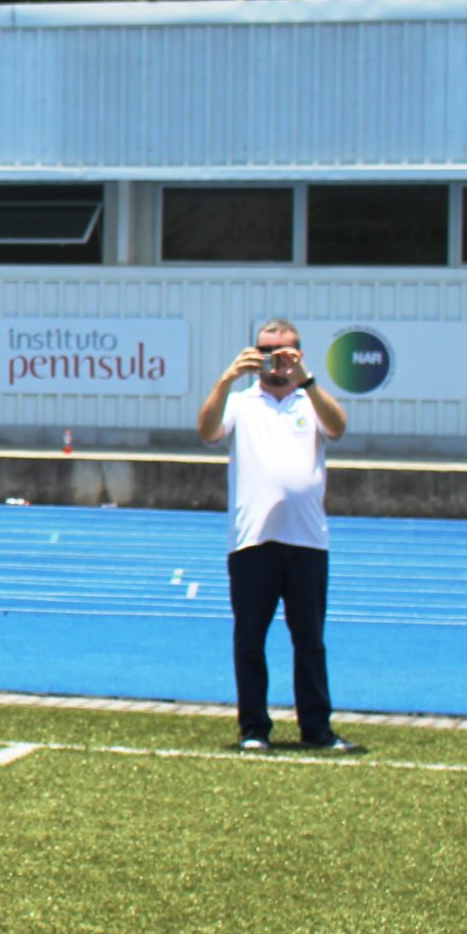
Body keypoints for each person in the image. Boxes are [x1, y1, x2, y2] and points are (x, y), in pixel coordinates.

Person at [196, 318, 354, 753]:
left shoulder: (310, 400)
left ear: (299, 354)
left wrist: (309, 381)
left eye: (283, 351)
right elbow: (207, 431)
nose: (275, 360)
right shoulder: (242, 402)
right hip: (252, 542)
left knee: (310, 641)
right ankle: (253, 729)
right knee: (250, 638)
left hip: (307, 542)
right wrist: (226, 379)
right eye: (266, 350)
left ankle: (317, 730)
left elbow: (338, 428)